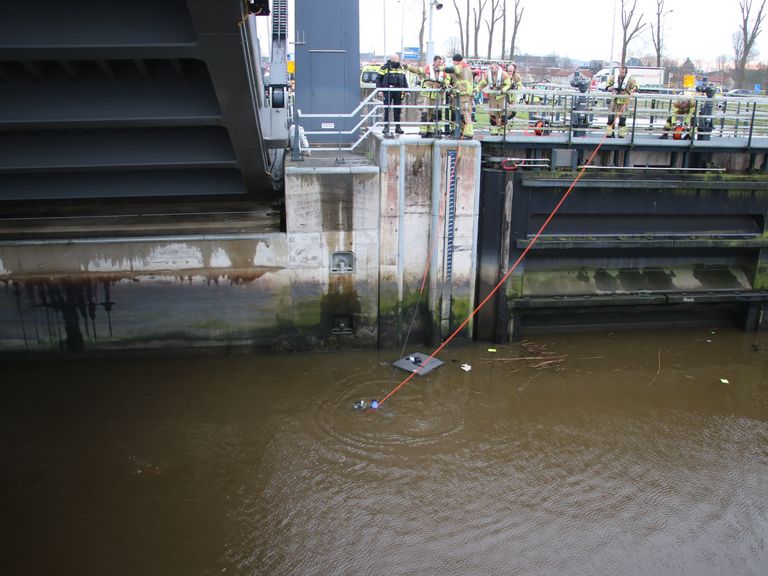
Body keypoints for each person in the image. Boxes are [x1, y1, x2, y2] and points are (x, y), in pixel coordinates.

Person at [405, 55, 451, 138]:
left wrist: (445, 84)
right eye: (438, 62)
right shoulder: (427, 69)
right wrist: (408, 66)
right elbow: (417, 70)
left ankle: (434, 129)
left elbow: (448, 79)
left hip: (437, 94)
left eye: (440, 62)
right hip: (426, 93)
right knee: (425, 112)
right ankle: (424, 129)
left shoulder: (443, 71)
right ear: (434, 62)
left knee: (436, 113)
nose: (439, 64)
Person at [440, 54, 475, 139]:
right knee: (462, 114)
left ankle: (469, 132)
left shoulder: (461, 66)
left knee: (465, 114)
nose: (453, 63)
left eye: (453, 61)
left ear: (456, 61)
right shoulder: (466, 67)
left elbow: (452, 69)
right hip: (462, 94)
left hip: (464, 94)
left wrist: (441, 68)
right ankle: (464, 132)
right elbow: (452, 76)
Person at [474, 62, 513, 135]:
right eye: (490, 68)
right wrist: (476, 89)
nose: (491, 69)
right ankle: (494, 130)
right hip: (492, 97)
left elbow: (508, 84)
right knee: (492, 113)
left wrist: (503, 90)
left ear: (497, 68)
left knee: (503, 114)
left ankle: (503, 130)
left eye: (492, 68)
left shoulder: (504, 74)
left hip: (502, 96)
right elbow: (482, 83)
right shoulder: (488, 75)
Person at [377, 54, 409, 135]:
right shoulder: (384, 67)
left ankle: (398, 127)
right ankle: (386, 127)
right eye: (394, 58)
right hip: (388, 91)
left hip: (398, 91)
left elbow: (404, 80)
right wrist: (379, 90)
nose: (395, 60)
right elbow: (378, 79)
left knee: (397, 110)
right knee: (387, 109)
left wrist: (407, 91)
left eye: (396, 58)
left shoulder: (400, 68)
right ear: (390, 59)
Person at [605, 65, 638, 138]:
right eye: (620, 71)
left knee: (622, 120)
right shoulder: (614, 78)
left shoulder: (630, 79)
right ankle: (609, 135)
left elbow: (635, 86)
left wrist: (634, 89)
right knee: (610, 118)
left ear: (625, 72)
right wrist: (610, 88)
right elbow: (607, 84)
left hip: (624, 103)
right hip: (614, 101)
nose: (621, 73)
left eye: (623, 72)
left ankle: (621, 136)